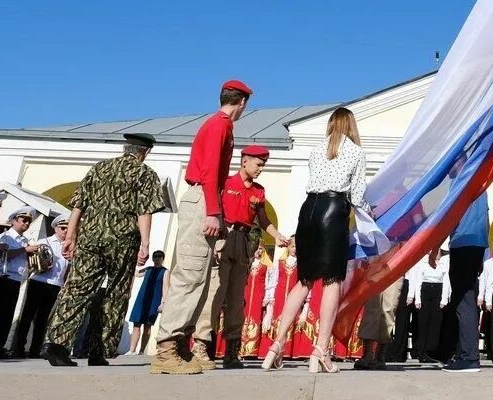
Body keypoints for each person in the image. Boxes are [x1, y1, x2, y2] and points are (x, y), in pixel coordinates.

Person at [263, 106, 373, 374]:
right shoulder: (356, 152)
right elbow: (357, 197)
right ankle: (321, 350)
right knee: (332, 281)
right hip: (334, 211)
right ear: (351, 126)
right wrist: (372, 212)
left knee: (304, 279)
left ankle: (276, 345)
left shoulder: (316, 150)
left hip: (308, 210)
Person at [40, 133, 165, 367]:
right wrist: (145, 243)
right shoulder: (144, 173)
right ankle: (98, 350)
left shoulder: (99, 168)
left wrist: (71, 234)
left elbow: (79, 204)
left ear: (125, 148)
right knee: (115, 293)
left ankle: (55, 343)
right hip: (122, 241)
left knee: (77, 288)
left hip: (90, 238)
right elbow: (144, 210)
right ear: (145, 152)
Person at [153, 80, 252, 374]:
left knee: (203, 279)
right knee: (191, 275)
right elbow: (210, 170)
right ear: (243, 102)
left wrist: (217, 211)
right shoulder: (220, 125)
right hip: (203, 198)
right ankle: (166, 349)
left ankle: (181, 346)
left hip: (208, 199)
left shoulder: (220, 125)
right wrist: (212, 211)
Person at [204, 145, 288, 369]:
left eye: (263, 165)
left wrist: (277, 235)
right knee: (215, 293)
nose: (261, 169)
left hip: (242, 241)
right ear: (244, 162)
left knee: (236, 299)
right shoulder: (227, 183)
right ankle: (204, 347)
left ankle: (232, 351)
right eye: (258, 164)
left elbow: (263, 221)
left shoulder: (259, 191)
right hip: (223, 236)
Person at [0, 207, 41, 359]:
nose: (26, 223)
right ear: (14, 221)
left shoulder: (25, 240)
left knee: (7, 315)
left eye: (29, 221)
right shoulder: (5, 236)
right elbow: (4, 254)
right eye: (23, 220)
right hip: (2, 278)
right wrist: (25, 250)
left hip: (16, 279)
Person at [439, 190, 489, 373]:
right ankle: (464, 353)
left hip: (462, 243)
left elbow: (450, 217)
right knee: (466, 299)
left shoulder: (463, 183)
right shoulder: (481, 186)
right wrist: (485, 253)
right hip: (476, 245)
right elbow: (486, 218)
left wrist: (434, 245)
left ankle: (469, 357)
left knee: (463, 301)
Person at [11, 215, 71, 358]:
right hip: (39, 281)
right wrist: (43, 264)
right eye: (63, 228)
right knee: (27, 315)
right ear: (56, 228)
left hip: (55, 284)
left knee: (43, 319)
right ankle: (18, 348)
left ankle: (35, 349)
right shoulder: (44, 242)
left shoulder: (69, 245)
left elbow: (67, 268)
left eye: (68, 229)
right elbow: (33, 262)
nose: (65, 231)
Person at [410, 247, 451, 363]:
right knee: (423, 323)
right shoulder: (422, 264)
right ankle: (421, 352)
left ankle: (431, 351)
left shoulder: (443, 265)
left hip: (438, 292)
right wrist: (417, 299)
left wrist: (444, 299)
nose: (434, 253)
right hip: (425, 292)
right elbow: (418, 282)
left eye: (436, 251)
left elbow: (446, 282)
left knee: (435, 323)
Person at [128, 251, 169, 355]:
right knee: (136, 324)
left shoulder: (165, 272)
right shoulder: (148, 269)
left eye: (159, 256)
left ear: (162, 258)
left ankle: (142, 350)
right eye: (155, 256)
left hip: (154, 301)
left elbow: (165, 288)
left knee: (147, 325)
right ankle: (132, 350)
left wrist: (163, 303)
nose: (157, 258)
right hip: (142, 299)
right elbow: (137, 273)